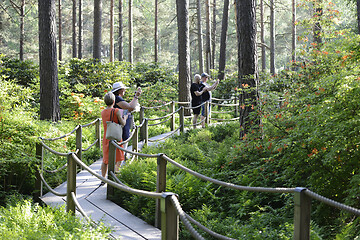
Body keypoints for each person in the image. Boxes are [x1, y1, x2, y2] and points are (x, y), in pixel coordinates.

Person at [111, 82, 142, 161]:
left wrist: (135, 98)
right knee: (123, 140)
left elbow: (128, 106)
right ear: (120, 90)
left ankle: (122, 158)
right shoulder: (117, 98)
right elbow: (130, 108)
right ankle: (120, 161)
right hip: (121, 122)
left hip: (121, 122)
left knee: (123, 140)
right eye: (123, 89)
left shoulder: (117, 98)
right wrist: (136, 97)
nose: (125, 90)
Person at [101, 92, 128, 180]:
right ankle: (114, 177)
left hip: (106, 136)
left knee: (105, 160)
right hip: (116, 136)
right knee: (119, 158)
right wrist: (125, 117)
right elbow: (123, 123)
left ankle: (103, 178)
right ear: (114, 101)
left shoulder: (103, 112)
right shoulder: (116, 111)